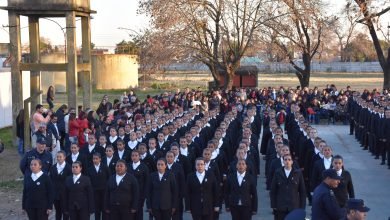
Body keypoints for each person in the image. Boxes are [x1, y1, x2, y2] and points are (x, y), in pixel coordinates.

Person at [270, 154, 306, 220]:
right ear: (283, 162)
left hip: (294, 207)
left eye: (289, 160)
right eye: (285, 160)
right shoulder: (278, 173)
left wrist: (302, 207)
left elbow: (302, 191)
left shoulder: (298, 173)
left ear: (292, 162)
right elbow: (273, 190)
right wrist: (273, 205)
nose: (287, 161)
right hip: (281, 207)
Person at [87, 153, 111, 220]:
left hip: (104, 192)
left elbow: (109, 178)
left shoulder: (105, 167)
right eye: (93, 159)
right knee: (97, 210)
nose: (95, 160)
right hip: (95, 193)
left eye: (96, 159)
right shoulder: (90, 169)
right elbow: (89, 182)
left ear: (100, 159)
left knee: (104, 209)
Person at [49, 151, 72, 220]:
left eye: (60, 157)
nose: (58, 158)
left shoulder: (69, 167)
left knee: (65, 212)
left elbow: (70, 181)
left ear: (64, 157)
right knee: (58, 212)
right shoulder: (53, 168)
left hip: (65, 195)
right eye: (57, 157)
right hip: (56, 194)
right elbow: (51, 180)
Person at [128, 150, 150, 220]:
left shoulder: (144, 167)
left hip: (140, 194)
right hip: (129, 193)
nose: (134, 157)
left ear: (139, 156)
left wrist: (145, 194)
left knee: (138, 212)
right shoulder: (128, 166)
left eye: (136, 155)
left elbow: (147, 181)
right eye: (133, 155)